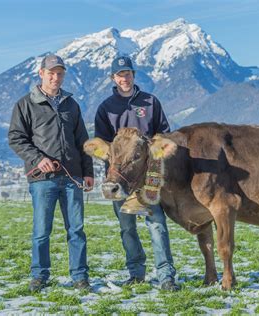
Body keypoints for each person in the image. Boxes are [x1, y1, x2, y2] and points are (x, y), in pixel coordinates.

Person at [8, 54, 94, 292]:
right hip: (41, 179)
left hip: (72, 178)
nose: (56, 77)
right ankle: (39, 275)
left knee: (76, 230)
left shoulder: (71, 104)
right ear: (41, 74)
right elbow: (16, 138)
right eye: (51, 73)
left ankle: (80, 277)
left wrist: (88, 172)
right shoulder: (26, 104)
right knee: (41, 231)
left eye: (60, 73)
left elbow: (82, 141)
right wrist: (38, 159)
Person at [94, 55, 179, 291]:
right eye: (120, 75)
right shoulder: (106, 108)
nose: (125, 78)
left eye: (128, 73)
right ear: (113, 78)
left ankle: (166, 276)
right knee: (127, 227)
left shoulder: (150, 102)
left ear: (133, 75)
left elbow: (164, 134)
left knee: (157, 225)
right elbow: (102, 145)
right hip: (119, 180)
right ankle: (136, 273)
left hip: (148, 178)